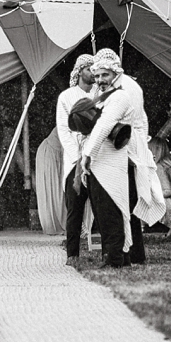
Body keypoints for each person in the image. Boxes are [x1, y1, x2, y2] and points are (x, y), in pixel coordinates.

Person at [80, 49, 165, 266]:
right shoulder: (112, 89)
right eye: (97, 76)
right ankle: (128, 254)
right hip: (120, 152)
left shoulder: (124, 91)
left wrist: (88, 154)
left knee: (115, 206)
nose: (99, 80)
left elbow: (106, 124)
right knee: (123, 206)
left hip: (120, 152)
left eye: (104, 75)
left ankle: (118, 255)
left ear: (115, 72)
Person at [56, 53, 97, 266]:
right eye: (90, 68)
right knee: (75, 208)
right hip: (75, 159)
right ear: (80, 71)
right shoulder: (66, 96)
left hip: (97, 157)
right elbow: (64, 130)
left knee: (101, 206)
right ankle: (72, 254)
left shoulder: (101, 94)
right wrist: (78, 157)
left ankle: (108, 251)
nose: (94, 73)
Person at [34, 129, 67, 235]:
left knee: (58, 191)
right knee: (52, 191)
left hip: (57, 154)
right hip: (50, 153)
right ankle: (54, 225)